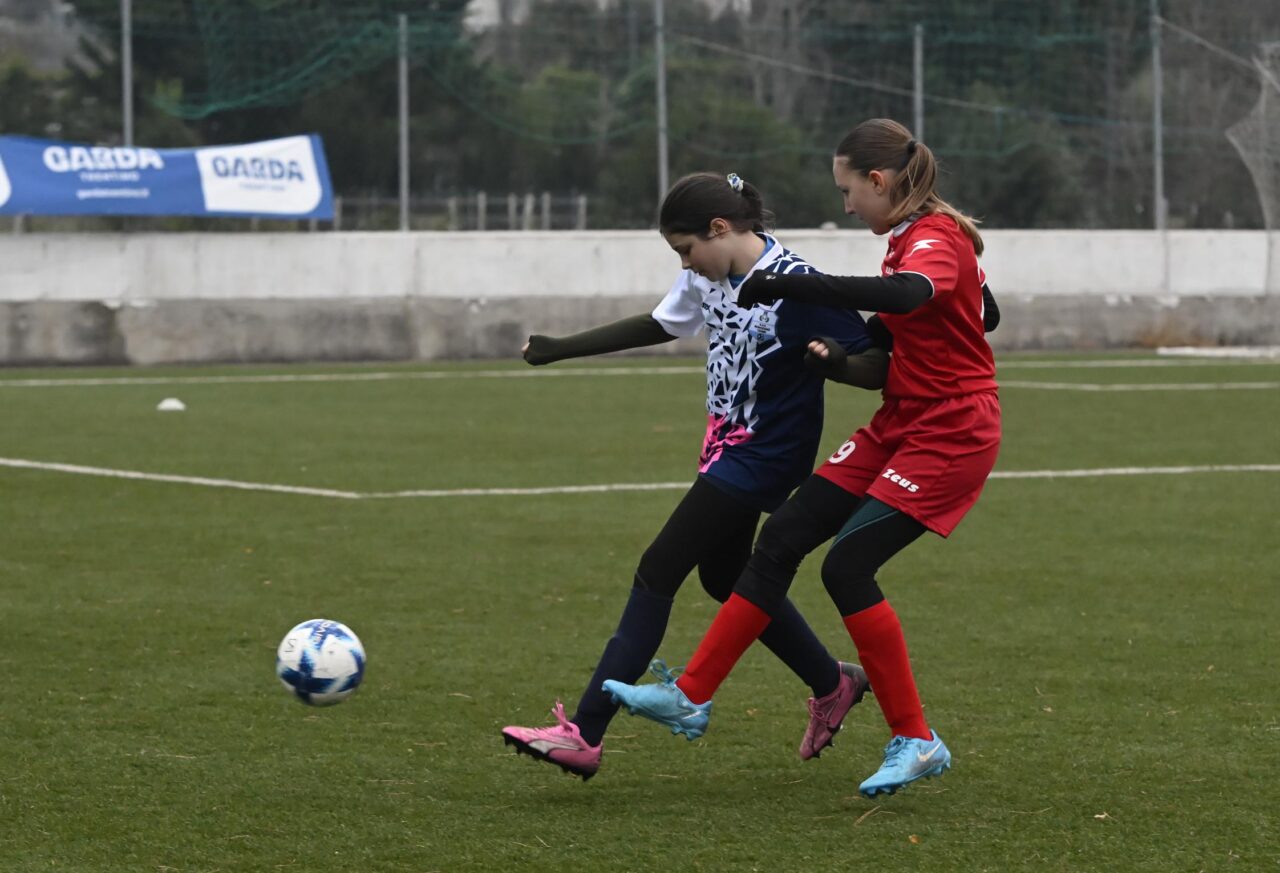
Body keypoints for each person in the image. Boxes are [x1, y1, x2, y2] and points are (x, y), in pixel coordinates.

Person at [604, 119, 1002, 799]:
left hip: (952, 430)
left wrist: (802, 287)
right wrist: (848, 357)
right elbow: (981, 311)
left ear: (879, 182)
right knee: (782, 537)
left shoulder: (932, 237)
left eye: (849, 191)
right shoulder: (913, 236)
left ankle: (917, 737)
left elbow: (913, 296)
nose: (847, 205)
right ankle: (692, 695)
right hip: (900, 419)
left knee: (847, 565)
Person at [502, 171, 892, 781]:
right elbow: (661, 323)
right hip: (724, 448)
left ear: (720, 228)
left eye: (687, 250)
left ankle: (583, 733)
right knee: (723, 577)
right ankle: (832, 681)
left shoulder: (799, 285)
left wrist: (839, 362)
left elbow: (878, 363)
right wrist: (562, 347)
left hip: (767, 454)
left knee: (659, 568)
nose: (686, 265)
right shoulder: (706, 276)